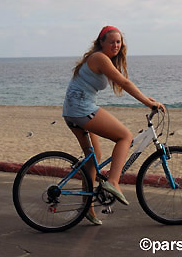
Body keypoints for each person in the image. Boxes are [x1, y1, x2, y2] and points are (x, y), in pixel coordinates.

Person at [63, 25, 165, 226]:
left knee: (94, 158)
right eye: (112, 42)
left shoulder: (99, 59)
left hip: (72, 109)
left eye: (119, 42)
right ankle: (113, 182)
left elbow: (122, 82)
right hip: (82, 109)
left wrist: (147, 98)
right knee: (125, 137)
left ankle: (87, 208)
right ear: (101, 42)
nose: (116, 45)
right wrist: (148, 103)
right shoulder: (99, 58)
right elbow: (124, 83)